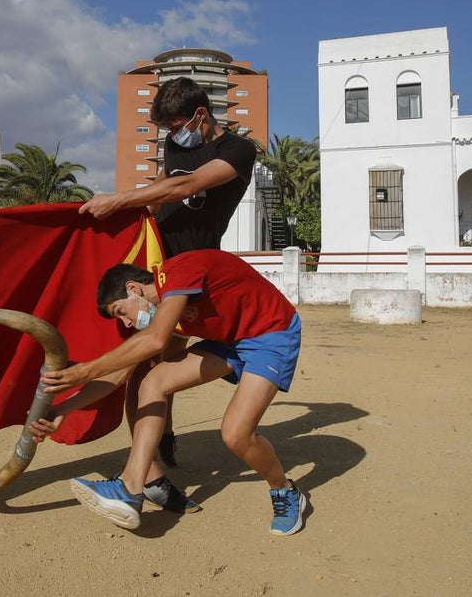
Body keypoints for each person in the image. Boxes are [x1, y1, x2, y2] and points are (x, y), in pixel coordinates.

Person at [33, 249, 306, 536]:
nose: (125, 323)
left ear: (133, 288)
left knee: (236, 434)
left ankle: (285, 491)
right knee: (152, 381)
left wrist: (83, 371)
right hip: (230, 341)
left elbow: (155, 341)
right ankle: (130, 487)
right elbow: (119, 373)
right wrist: (63, 408)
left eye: (121, 312)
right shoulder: (163, 311)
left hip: (272, 334)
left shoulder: (178, 273)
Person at [79, 76, 258, 466]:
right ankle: (156, 458)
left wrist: (118, 199)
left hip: (194, 271)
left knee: (161, 361)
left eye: (177, 127)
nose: (174, 136)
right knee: (139, 365)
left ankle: (160, 444)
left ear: (200, 114)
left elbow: (187, 186)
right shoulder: (176, 143)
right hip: (152, 268)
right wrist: (126, 216)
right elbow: (165, 185)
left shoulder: (239, 150)